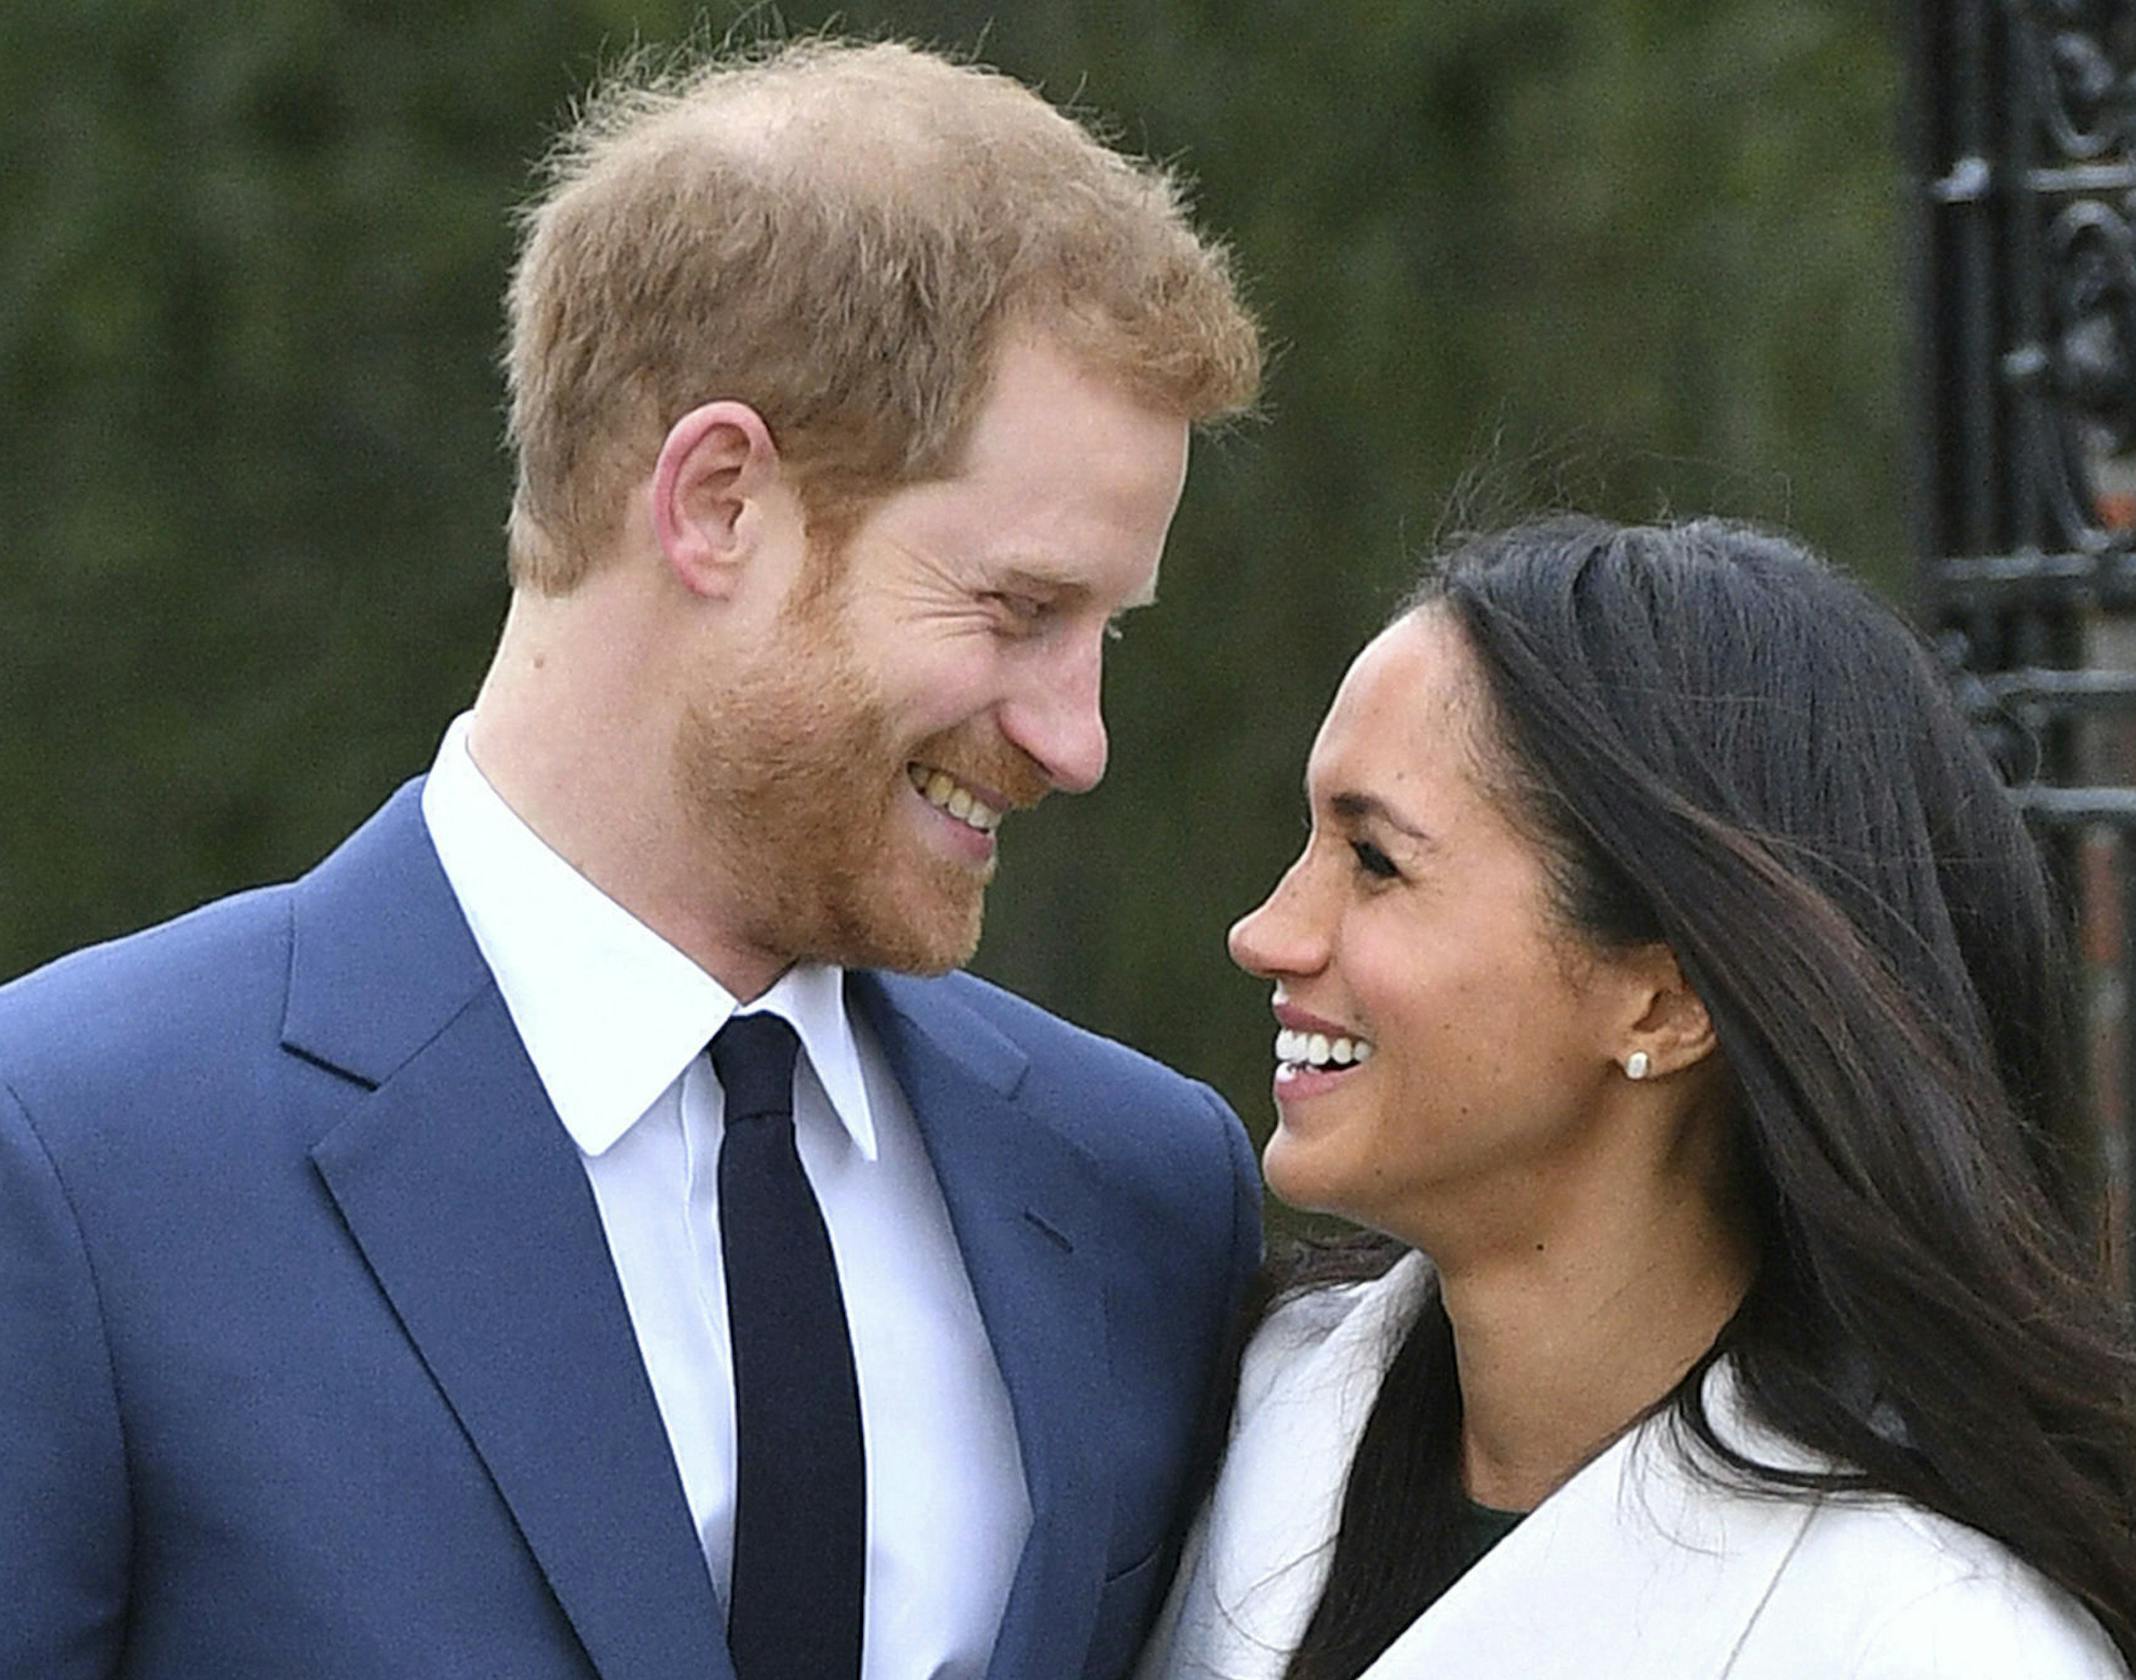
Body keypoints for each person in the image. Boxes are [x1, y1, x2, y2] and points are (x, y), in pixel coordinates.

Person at [0, 40, 1264, 1680]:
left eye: (1107, 633)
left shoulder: (1143, 1191)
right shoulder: (77, 1160)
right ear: (719, 500)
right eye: (1019, 610)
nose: (1077, 738)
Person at [1140, 515, 2136, 1679]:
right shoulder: (1252, 1414)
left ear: (1665, 1004)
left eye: (1376, 862)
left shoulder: (1936, 1641)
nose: (1266, 933)